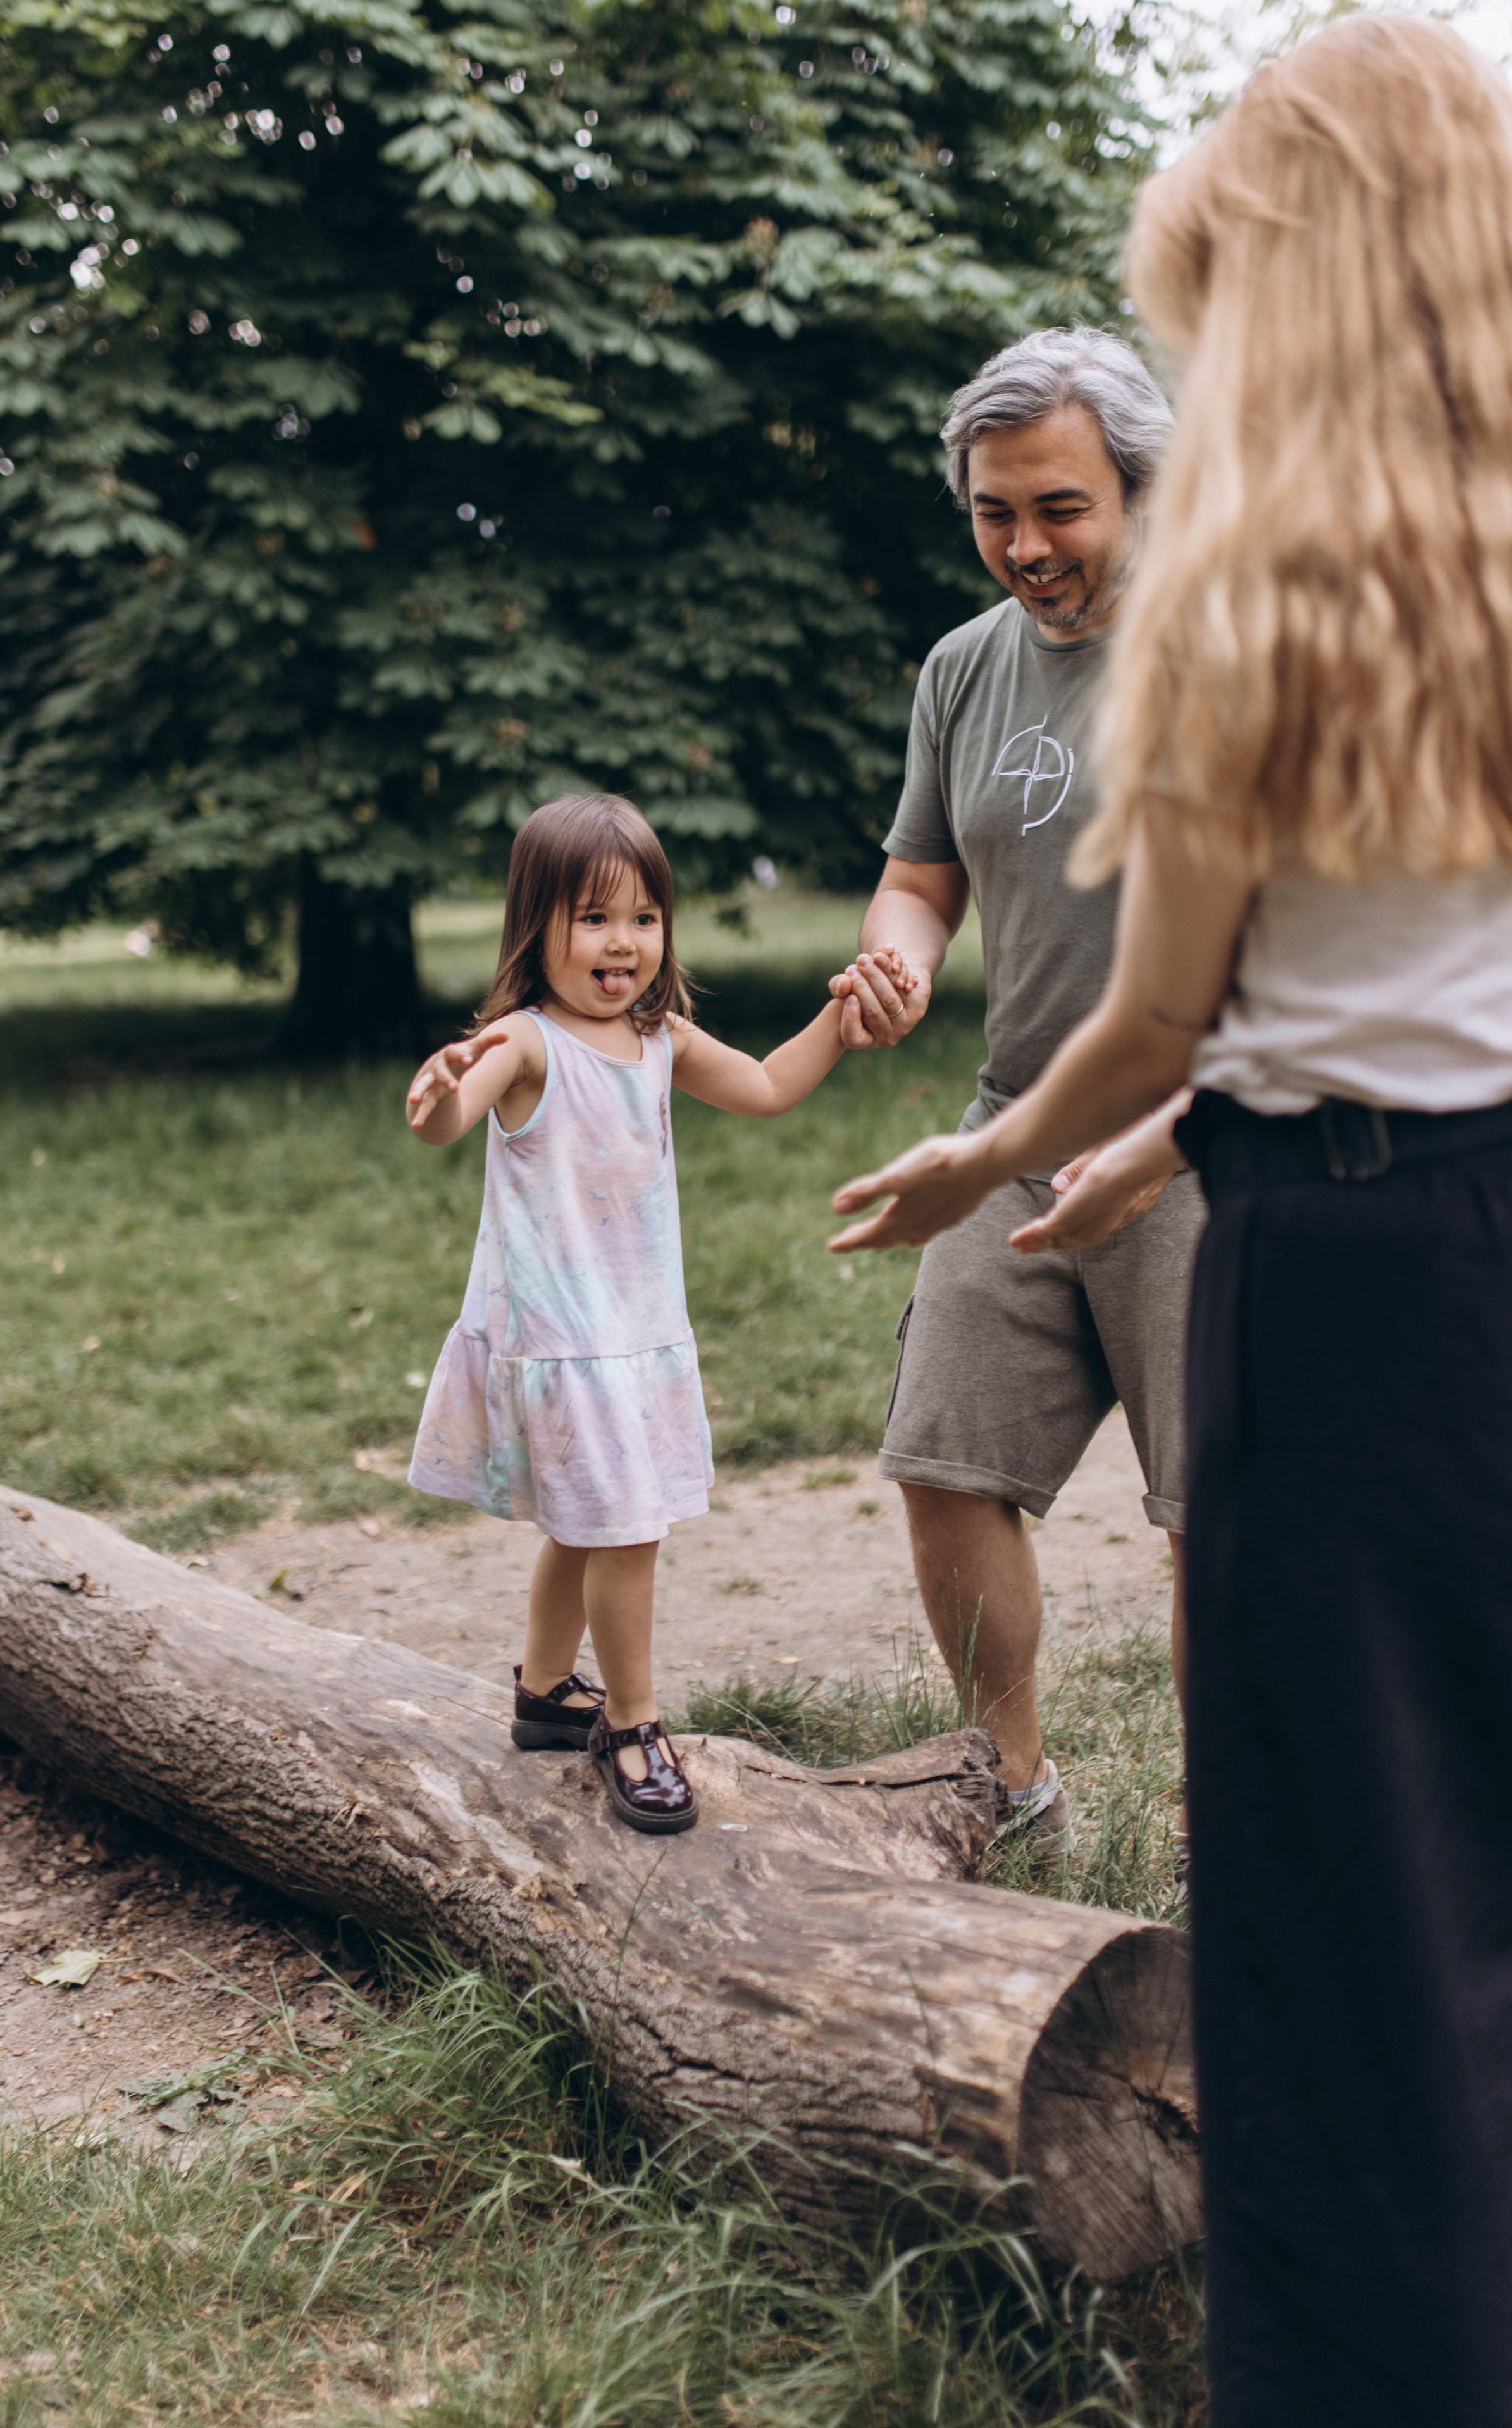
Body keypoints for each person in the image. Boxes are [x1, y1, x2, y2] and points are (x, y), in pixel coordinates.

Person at [830, 19, 1512, 2422]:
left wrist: (1008, 1147)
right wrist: (1109, 1146)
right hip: (1427, 1195)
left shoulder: (1248, 588)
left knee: (1343, 1891)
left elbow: (1170, 1012)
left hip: (1337, 1242)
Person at [829, 327, 1199, 1833]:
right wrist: (897, 956)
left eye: (1058, 507)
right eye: (993, 510)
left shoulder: (1222, 642)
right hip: (1009, 1126)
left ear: (1138, 491)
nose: (1024, 546)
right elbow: (918, 877)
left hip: (1203, 1138)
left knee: (1217, 1520)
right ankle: (1014, 1781)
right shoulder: (961, 669)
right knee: (941, 1456)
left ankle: (1226, 1814)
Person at [402, 792, 879, 1836]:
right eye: (593, 917)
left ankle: (541, 1691)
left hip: (634, 1334)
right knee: (626, 1528)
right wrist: (438, 1089)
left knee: (589, 1527)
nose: (623, 942)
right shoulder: (526, 1043)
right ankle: (631, 1723)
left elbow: (762, 1085)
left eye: (644, 917)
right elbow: (452, 1119)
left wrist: (837, 1024)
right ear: (539, 928)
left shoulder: (658, 1037)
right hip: (570, 1344)